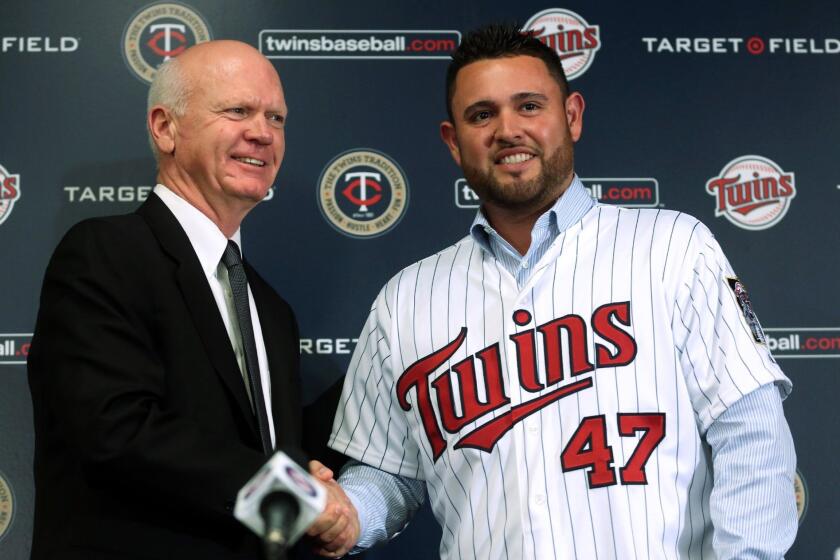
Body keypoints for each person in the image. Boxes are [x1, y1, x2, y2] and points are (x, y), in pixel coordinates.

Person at [322, 24, 798, 559]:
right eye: (482, 115)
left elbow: (749, 431)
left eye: (528, 106)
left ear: (570, 116)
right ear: (454, 141)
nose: (507, 130)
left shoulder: (673, 248)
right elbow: (390, 475)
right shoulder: (404, 300)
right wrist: (348, 513)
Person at [27, 40, 356, 559]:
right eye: (237, 111)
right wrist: (300, 494)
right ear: (165, 128)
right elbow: (117, 431)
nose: (262, 132)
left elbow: (273, 455)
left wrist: (385, 371)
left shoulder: (270, 310)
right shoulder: (105, 254)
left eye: (277, 117)